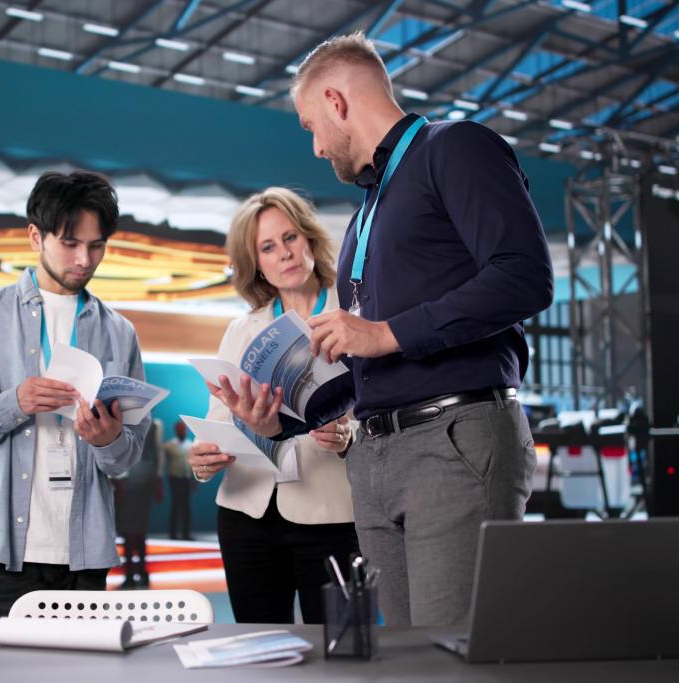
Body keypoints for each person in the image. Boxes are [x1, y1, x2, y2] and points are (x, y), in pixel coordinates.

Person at [216, 33, 554, 627]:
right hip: (375, 457)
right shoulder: (366, 213)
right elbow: (363, 362)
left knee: (446, 656)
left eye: (310, 126)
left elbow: (524, 277)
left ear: (336, 101)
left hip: (452, 439)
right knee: (401, 658)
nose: (316, 147)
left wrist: (385, 333)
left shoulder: (457, 148)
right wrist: (282, 422)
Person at [0, 171, 149, 619]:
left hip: (86, 554)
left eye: (97, 244)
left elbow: (126, 459)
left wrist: (107, 441)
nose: (84, 258)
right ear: (35, 236)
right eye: (70, 242)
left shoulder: (119, 333)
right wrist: (15, 403)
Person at [189, 187, 359, 625]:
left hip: (331, 514)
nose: (284, 253)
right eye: (268, 247)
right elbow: (219, 420)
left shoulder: (353, 315)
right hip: (247, 513)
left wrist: (348, 435)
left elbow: (378, 411)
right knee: (257, 650)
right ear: (257, 264)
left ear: (309, 238)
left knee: (339, 651)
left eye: (290, 237)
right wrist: (206, 459)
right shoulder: (243, 330)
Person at [113, 418, 164, 588]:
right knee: (129, 531)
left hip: (140, 481)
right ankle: (135, 574)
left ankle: (138, 573)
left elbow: (158, 453)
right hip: (128, 483)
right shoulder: (120, 420)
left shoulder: (155, 425)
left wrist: (157, 482)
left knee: (136, 530)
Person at [163, 419, 194, 540]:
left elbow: (192, 463)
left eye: (184, 428)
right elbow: (163, 461)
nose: (182, 430)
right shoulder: (169, 445)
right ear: (176, 430)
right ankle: (173, 534)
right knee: (175, 506)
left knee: (186, 507)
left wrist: (194, 480)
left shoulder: (190, 444)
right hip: (174, 478)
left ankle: (186, 533)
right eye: (180, 428)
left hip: (186, 478)